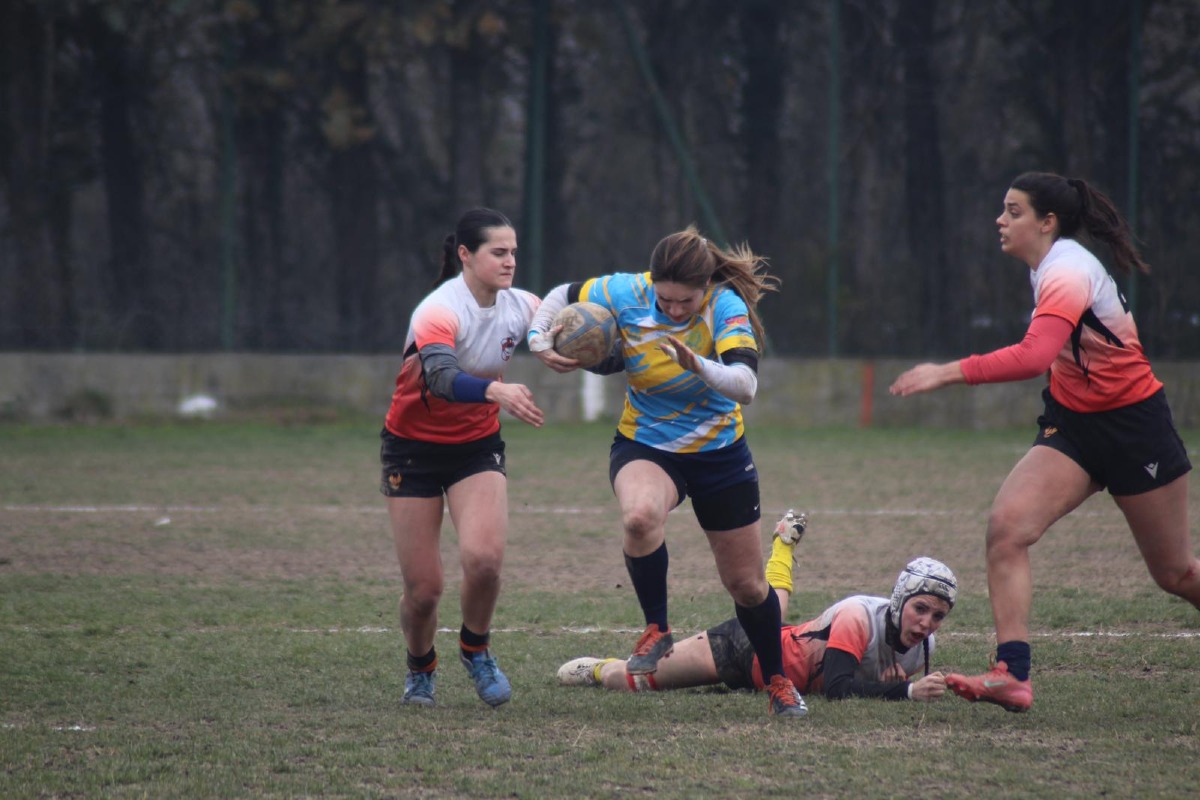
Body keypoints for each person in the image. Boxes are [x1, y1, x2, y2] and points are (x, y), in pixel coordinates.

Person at [889, 172, 1200, 712]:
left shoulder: (1068, 270)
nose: (1000, 220)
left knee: (1174, 573)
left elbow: (1034, 356)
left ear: (1046, 222)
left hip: (1134, 428)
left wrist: (947, 372)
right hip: (1075, 426)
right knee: (1007, 530)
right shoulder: (1048, 268)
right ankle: (1012, 675)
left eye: (1013, 211)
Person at [527, 226, 808, 717]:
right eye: (666, 300)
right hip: (646, 443)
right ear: (651, 283)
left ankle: (779, 681)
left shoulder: (725, 307)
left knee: (747, 585)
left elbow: (744, 386)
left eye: (687, 301)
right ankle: (656, 628)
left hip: (720, 455)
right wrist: (538, 341)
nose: (676, 310)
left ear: (705, 289)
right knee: (638, 517)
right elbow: (558, 295)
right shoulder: (625, 291)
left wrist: (696, 363)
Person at [380, 208, 546, 708]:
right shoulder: (438, 310)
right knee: (425, 590)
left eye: (514, 251)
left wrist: (577, 348)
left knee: (486, 560)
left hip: (475, 447)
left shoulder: (522, 305)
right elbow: (440, 378)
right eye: (499, 252)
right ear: (466, 255)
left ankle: (476, 649)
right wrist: (497, 390)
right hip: (412, 450)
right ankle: (420, 667)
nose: (510, 261)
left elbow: (567, 325)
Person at [557, 512, 957, 704]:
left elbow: (857, 680)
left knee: (774, 608)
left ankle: (783, 547)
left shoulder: (925, 649)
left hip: (780, 656)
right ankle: (599, 666)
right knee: (631, 682)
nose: (926, 624)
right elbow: (837, 690)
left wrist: (887, 680)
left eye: (937, 616)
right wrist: (904, 690)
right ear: (900, 599)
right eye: (920, 609)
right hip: (743, 650)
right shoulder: (858, 616)